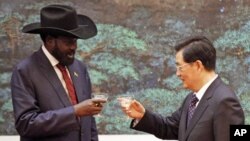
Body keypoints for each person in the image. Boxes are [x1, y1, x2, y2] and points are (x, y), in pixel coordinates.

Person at [120, 35, 245, 141]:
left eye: (180, 67)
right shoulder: (192, 99)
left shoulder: (225, 101)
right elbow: (170, 127)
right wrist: (142, 115)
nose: (177, 73)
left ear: (197, 65)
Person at [10, 4, 106, 141]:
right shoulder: (25, 71)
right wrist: (75, 111)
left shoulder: (80, 68)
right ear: (49, 40)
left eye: (75, 41)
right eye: (68, 42)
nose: (73, 47)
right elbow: (26, 124)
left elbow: (89, 124)